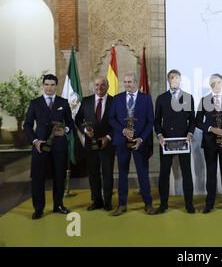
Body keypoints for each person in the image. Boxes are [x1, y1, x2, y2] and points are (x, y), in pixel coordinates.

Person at [23, 74, 75, 220]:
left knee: (59, 176)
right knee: (38, 178)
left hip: (59, 146)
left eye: (52, 85)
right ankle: (38, 209)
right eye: (47, 84)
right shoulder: (35, 103)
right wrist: (34, 141)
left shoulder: (63, 103)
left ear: (56, 86)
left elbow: (70, 124)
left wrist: (64, 130)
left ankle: (58, 205)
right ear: (43, 85)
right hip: (40, 146)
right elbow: (27, 125)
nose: (49, 87)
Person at [109, 73, 155, 216]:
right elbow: (111, 119)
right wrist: (123, 130)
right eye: (125, 82)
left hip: (139, 142)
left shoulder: (146, 99)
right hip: (122, 142)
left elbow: (150, 121)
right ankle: (122, 204)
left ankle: (148, 204)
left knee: (143, 173)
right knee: (122, 173)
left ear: (136, 82)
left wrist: (141, 139)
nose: (127, 84)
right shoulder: (117, 99)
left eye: (129, 82)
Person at [153, 69, 196, 214]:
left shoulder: (188, 97)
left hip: (184, 141)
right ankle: (163, 205)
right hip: (166, 142)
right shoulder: (161, 98)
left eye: (177, 78)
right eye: (172, 78)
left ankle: (189, 205)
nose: (175, 80)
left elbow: (193, 120)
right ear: (168, 80)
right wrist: (159, 135)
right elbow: (157, 121)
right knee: (164, 173)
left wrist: (190, 134)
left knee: (187, 173)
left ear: (180, 80)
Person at [195, 74, 222, 213]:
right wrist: (210, 128)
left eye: (218, 82)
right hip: (209, 143)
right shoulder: (204, 100)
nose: (216, 85)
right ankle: (209, 203)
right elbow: (198, 122)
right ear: (210, 84)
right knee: (211, 173)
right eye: (213, 83)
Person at [75, 76, 115, 211]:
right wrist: (85, 130)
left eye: (102, 85)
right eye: (97, 85)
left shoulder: (114, 102)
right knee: (93, 173)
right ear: (93, 86)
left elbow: (119, 123)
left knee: (108, 173)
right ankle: (97, 201)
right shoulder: (86, 101)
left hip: (107, 144)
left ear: (107, 86)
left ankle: (108, 202)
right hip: (90, 144)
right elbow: (78, 119)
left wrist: (108, 137)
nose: (99, 88)